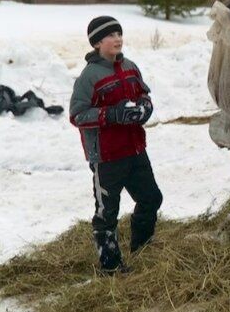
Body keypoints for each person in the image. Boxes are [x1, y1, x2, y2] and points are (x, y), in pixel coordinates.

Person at [69, 16, 162, 274]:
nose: (118, 39)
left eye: (119, 33)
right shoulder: (88, 77)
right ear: (97, 42)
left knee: (152, 198)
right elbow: (77, 115)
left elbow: (143, 94)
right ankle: (110, 266)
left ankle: (142, 246)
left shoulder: (130, 67)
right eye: (111, 35)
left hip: (134, 149)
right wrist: (111, 115)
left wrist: (144, 107)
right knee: (107, 213)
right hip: (108, 156)